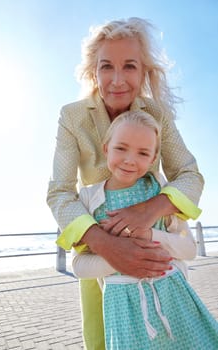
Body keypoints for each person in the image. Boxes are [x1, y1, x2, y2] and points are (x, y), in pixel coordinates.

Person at [47, 17, 204, 350]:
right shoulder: (72, 117)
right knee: (103, 340)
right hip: (98, 250)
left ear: (144, 71)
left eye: (129, 66)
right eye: (107, 67)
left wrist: (150, 210)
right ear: (94, 71)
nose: (117, 80)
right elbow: (59, 191)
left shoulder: (157, 113)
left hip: (157, 259)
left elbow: (189, 174)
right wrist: (107, 245)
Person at [71, 110, 218, 349]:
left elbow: (189, 249)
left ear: (153, 159)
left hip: (174, 298)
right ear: (106, 148)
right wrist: (121, 255)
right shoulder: (89, 197)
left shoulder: (160, 187)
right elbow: (79, 266)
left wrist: (150, 235)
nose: (130, 159)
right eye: (121, 148)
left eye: (142, 153)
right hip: (122, 309)